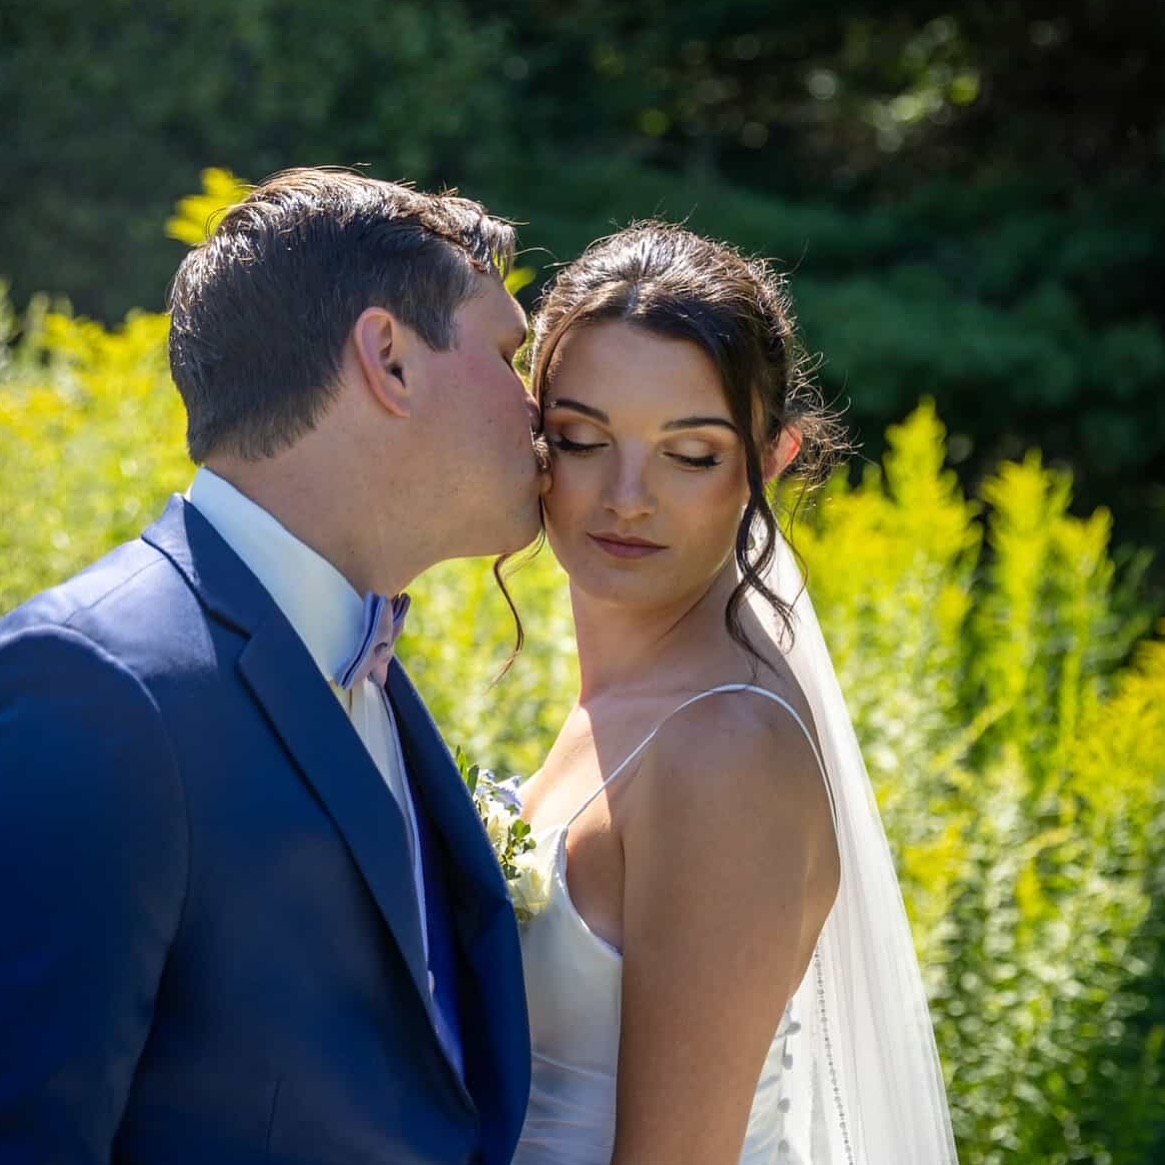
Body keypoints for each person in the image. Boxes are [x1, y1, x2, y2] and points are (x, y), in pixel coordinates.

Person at [0, 169, 542, 1164]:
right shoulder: (96, 684)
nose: (536, 405)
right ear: (389, 357)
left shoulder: (361, 652)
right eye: (509, 355)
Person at [510, 223, 959, 1164]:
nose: (627, 496)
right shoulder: (626, 703)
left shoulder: (722, 745)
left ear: (774, 457)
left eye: (692, 454)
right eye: (582, 437)